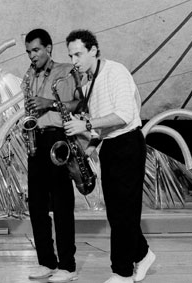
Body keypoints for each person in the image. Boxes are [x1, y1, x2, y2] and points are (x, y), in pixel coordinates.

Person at [64, 29, 156, 283]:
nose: (74, 61)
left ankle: (122, 272)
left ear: (93, 50)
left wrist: (87, 125)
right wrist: (92, 145)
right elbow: (104, 126)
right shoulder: (87, 83)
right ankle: (144, 254)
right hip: (112, 147)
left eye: (78, 54)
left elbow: (124, 114)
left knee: (124, 211)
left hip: (128, 144)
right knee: (116, 213)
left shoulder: (115, 71)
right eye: (71, 55)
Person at [23, 28, 80, 283]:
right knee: (36, 204)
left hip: (58, 138)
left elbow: (80, 104)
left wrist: (49, 103)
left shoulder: (67, 70)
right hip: (36, 139)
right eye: (28, 52)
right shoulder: (29, 75)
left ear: (49, 48)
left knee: (61, 204)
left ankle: (68, 265)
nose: (31, 56)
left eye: (35, 50)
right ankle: (46, 261)